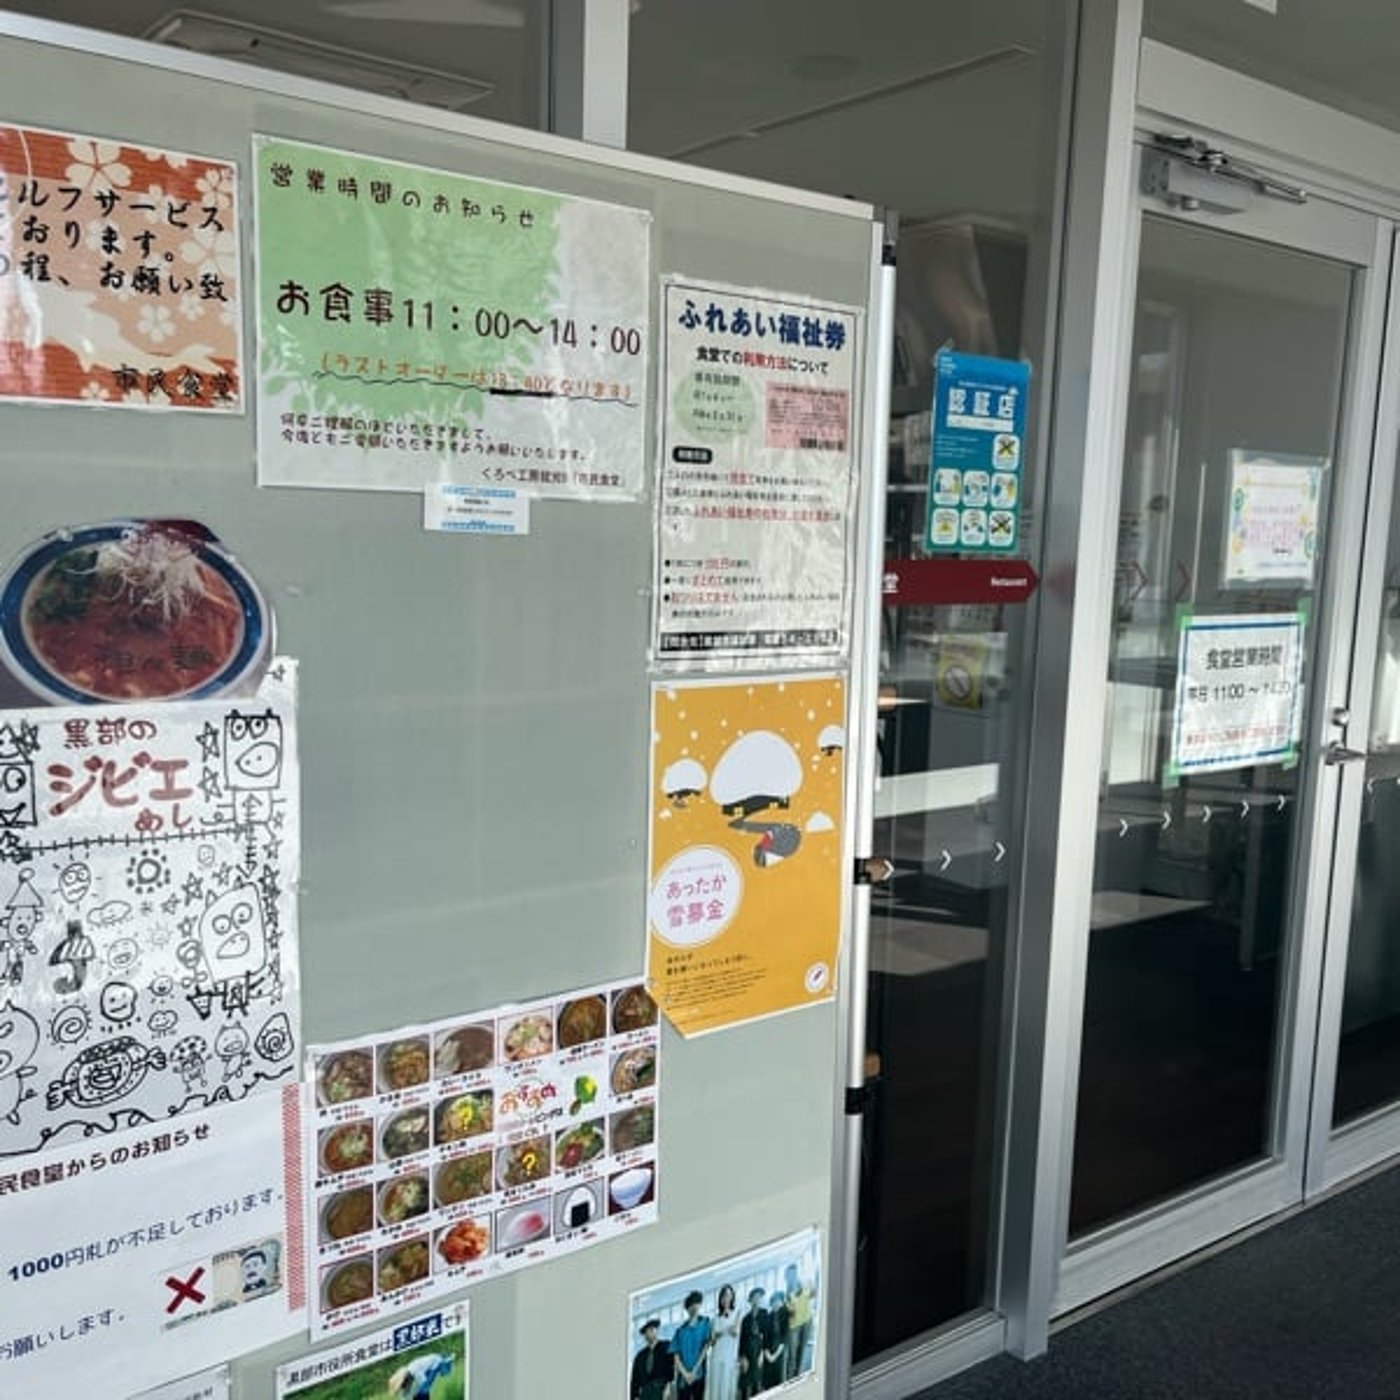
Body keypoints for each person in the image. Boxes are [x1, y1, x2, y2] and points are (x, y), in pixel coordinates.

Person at [671, 1288, 712, 1399]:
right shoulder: (680, 1331)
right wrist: (685, 1374)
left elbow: (705, 1348)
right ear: (687, 1308)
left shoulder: (705, 1323)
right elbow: (676, 1356)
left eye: (697, 1303)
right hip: (683, 1377)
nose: (694, 1307)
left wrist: (694, 1371)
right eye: (691, 1305)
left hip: (699, 1374)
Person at [706, 1284, 741, 1400]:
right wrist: (724, 1330)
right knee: (715, 1389)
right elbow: (712, 1341)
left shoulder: (737, 1313)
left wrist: (719, 1332)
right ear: (720, 1299)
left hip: (730, 1357)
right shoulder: (714, 1319)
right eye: (724, 1296)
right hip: (716, 1357)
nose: (726, 1299)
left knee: (727, 1389)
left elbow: (735, 1331)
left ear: (732, 1298)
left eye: (729, 1296)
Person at [783, 1264, 814, 1379]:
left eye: (794, 1273)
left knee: (802, 1351)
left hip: (807, 1321)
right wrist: (790, 1310)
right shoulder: (787, 1293)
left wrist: (811, 1287)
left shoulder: (804, 1285)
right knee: (792, 1354)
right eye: (790, 1274)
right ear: (787, 1276)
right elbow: (790, 1312)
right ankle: (790, 1379)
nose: (793, 1275)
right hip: (794, 1326)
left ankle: (798, 1376)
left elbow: (813, 1294)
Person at [630, 1318, 674, 1400]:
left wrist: (669, 1386)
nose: (649, 1333)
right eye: (646, 1332)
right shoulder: (640, 1356)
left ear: (656, 1331)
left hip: (661, 1388)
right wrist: (635, 1397)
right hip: (645, 1392)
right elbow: (634, 1380)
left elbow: (672, 1367)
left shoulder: (666, 1346)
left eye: (652, 1329)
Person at [738, 1288, 768, 1398]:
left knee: (756, 1383)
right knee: (745, 1384)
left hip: (758, 1351)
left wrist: (762, 1354)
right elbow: (742, 1340)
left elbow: (766, 1335)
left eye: (759, 1297)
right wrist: (742, 1357)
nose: (757, 1300)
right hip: (747, 1352)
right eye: (755, 1297)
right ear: (750, 1300)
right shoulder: (745, 1319)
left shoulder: (764, 1313)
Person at [387, 1351, 454, 1398]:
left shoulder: (415, 1371)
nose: (403, 1387)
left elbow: (427, 1383)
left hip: (421, 1368)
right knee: (422, 1392)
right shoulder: (411, 1372)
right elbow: (428, 1381)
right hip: (420, 1370)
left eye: (402, 1386)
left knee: (422, 1392)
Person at [762, 1291, 788, 1391]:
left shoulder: (784, 1316)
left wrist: (775, 1356)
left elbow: (784, 1338)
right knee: (767, 1383)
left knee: (778, 1383)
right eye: (774, 1301)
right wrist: (767, 1354)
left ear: (782, 1302)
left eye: (778, 1301)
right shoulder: (768, 1316)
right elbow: (765, 1337)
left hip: (779, 1352)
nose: (776, 1303)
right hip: (768, 1352)